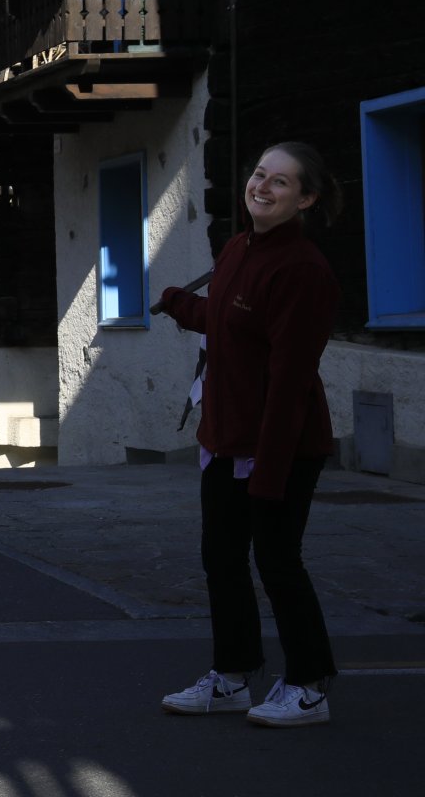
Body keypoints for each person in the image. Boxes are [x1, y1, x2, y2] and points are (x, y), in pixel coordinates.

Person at [154, 142, 343, 727]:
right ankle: (233, 677)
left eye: (280, 182)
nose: (262, 186)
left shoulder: (303, 270)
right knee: (222, 560)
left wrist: (269, 468)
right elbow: (226, 321)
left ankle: (309, 688)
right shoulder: (239, 247)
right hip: (224, 438)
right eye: (259, 174)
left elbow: (290, 379)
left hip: (279, 445)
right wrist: (180, 304)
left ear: (306, 199)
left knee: (279, 563)